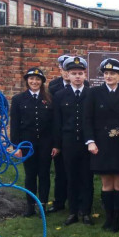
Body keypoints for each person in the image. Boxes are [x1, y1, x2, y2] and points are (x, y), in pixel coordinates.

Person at [84, 58, 119, 232]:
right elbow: (87, 119)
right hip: (101, 143)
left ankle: (117, 220)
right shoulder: (94, 93)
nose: (108, 76)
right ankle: (108, 217)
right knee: (106, 183)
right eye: (106, 73)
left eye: (112, 73)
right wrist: (90, 142)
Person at [52, 56, 94, 226]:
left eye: (80, 73)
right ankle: (73, 211)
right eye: (74, 73)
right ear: (67, 75)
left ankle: (86, 211)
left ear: (85, 75)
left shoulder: (91, 94)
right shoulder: (60, 95)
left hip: (86, 141)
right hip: (68, 141)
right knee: (70, 177)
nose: (77, 76)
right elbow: (57, 121)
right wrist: (57, 144)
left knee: (87, 177)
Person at [10, 68, 54, 216]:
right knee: (30, 174)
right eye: (31, 79)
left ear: (42, 82)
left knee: (44, 174)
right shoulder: (18, 99)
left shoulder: (48, 98)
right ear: (27, 81)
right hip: (27, 143)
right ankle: (30, 206)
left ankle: (42, 204)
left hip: (45, 143)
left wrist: (55, 144)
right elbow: (15, 125)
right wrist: (16, 146)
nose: (34, 82)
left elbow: (54, 124)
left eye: (37, 79)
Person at [47, 54, 72, 214]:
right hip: (59, 133)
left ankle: (75, 201)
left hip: (74, 134)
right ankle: (59, 201)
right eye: (64, 69)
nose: (66, 72)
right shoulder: (54, 86)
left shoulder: (85, 85)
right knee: (60, 172)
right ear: (60, 70)